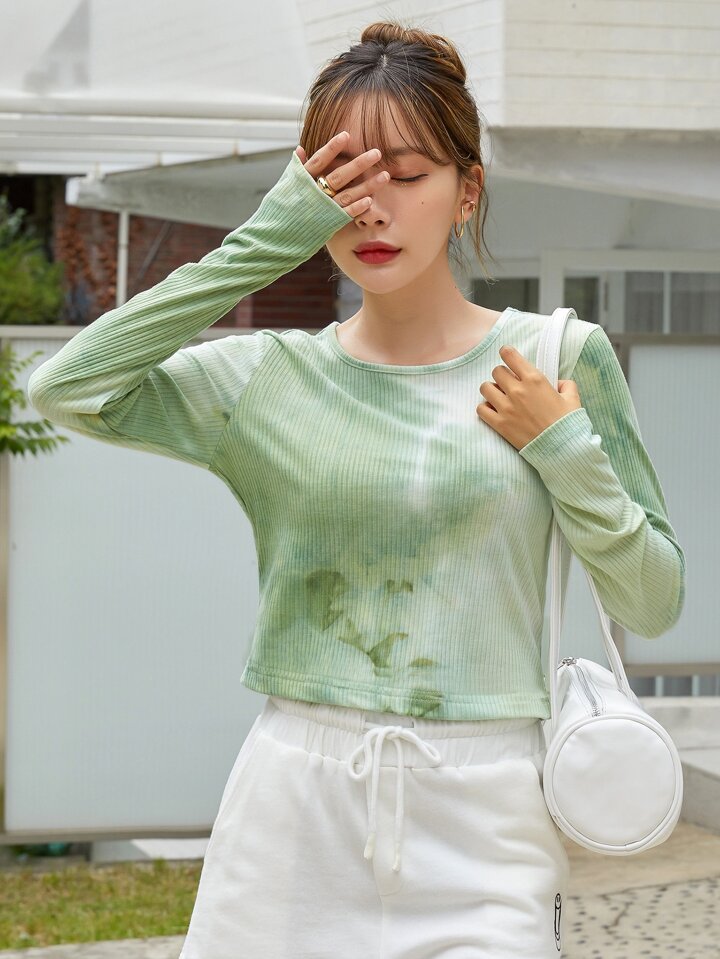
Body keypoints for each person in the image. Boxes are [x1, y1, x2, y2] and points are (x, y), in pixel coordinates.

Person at [28, 19, 685, 959]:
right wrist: (267, 240)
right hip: (295, 809)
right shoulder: (268, 377)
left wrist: (565, 449)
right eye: (342, 181)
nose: (372, 210)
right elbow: (65, 388)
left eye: (407, 177)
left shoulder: (555, 359)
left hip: (488, 817)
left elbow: (653, 602)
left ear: (467, 191)